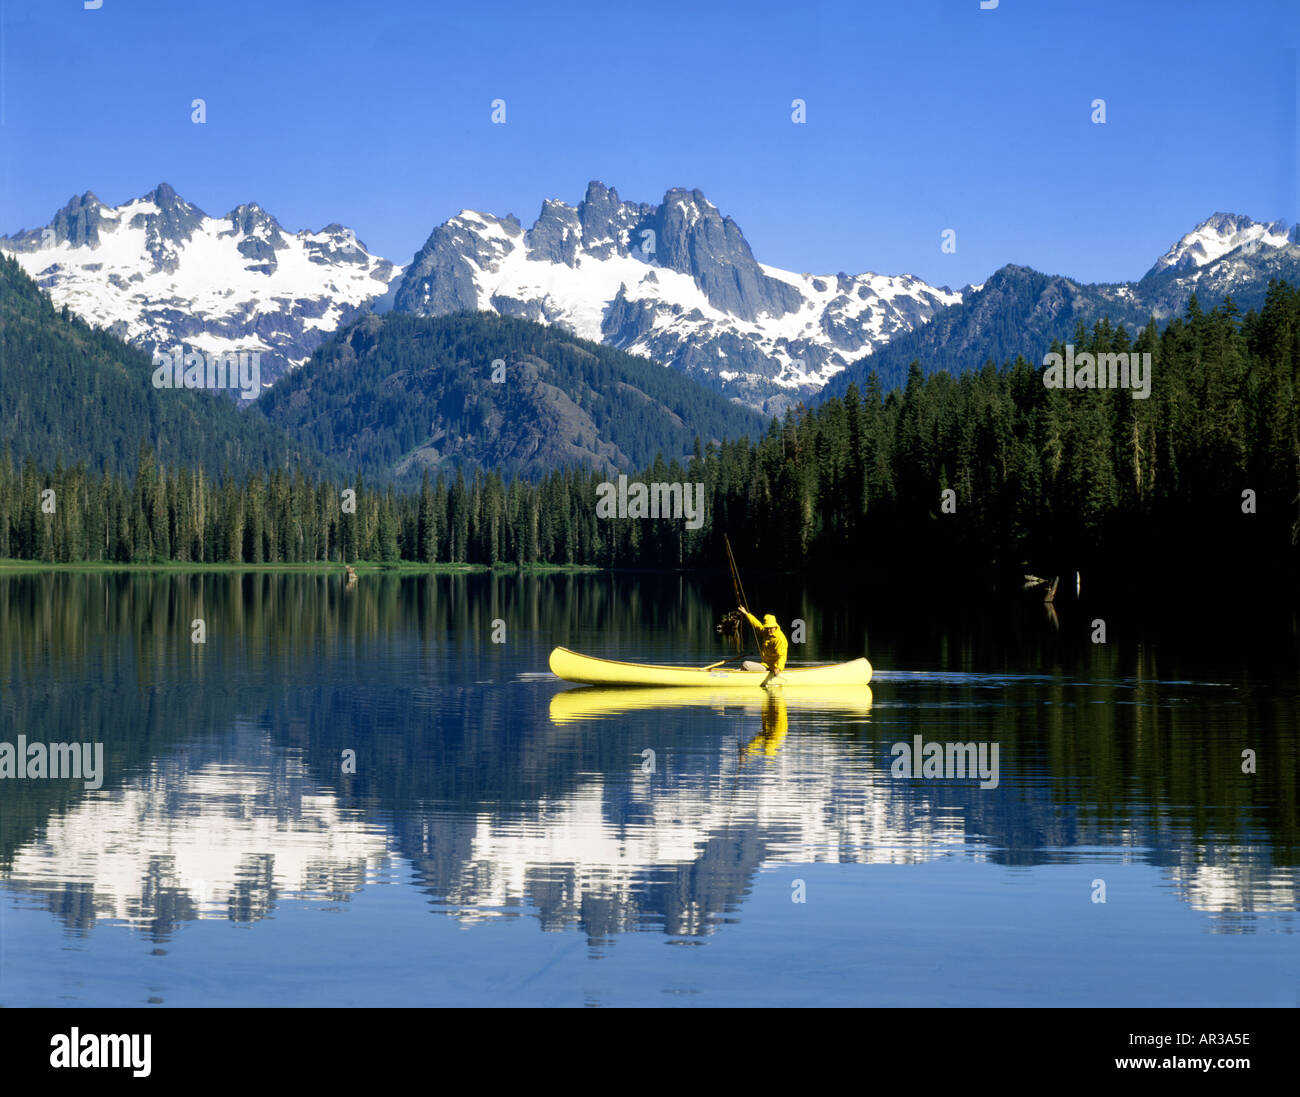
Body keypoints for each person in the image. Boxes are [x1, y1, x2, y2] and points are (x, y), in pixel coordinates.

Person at [738, 606, 788, 687]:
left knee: (746, 664)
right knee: (742, 668)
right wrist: (746, 614)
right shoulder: (766, 632)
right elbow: (757, 624)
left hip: (773, 668)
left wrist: (778, 668)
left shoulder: (780, 639)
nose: (768, 630)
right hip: (765, 665)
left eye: (770, 628)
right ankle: (738, 675)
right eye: (767, 628)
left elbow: (782, 656)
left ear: (775, 626)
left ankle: (738, 678)